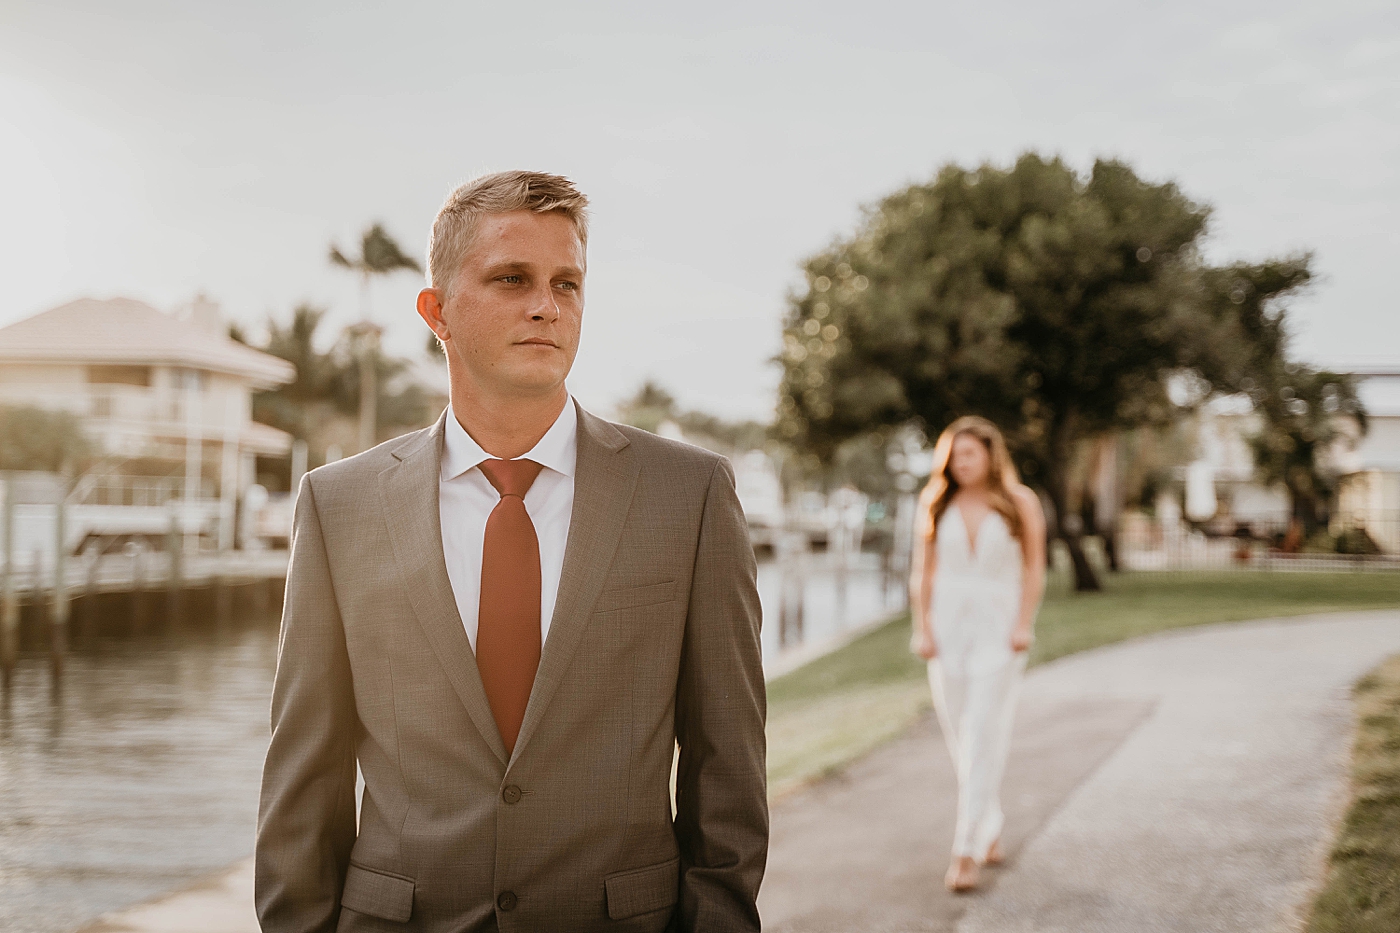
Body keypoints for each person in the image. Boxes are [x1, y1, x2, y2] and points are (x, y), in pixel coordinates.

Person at [255, 171, 768, 932]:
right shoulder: (339, 506)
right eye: (511, 278)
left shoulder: (687, 495)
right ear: (437, 312)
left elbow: (729, 770)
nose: (546, 305)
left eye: (567, 282)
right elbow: (305, 780)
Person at [909, 416, 1046, 893]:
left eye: (969, 453)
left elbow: (1035, 569)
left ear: (990, 455)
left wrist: (1023, 624)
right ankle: (989, 822)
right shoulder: (935, 501)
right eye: (954, 455)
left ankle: (964, 849)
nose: (961, 462)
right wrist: (922, 627)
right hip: (946, 632)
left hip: (998, 630)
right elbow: (922, 572)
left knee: (984, 728)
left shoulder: (1019, 502)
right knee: (960, 734)